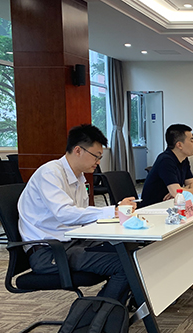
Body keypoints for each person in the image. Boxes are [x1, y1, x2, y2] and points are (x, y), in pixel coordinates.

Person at [18, 124, 136, 302]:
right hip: (49, 252)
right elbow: (65, 214)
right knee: (125, 265)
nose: (98, 162)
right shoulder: (50, 173)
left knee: (132, 252)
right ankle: (99, 314)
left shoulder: (79, 178)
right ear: (78, 150)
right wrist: (112, 211)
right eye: (96, 156)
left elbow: (81, 217)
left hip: (72, 242)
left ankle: (114, 309)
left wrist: (118, 218)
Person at [140, 124, 193, 208]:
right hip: (153, 207)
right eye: (191, 141)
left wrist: (181, 192)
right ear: (179, 145)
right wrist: (183, 191)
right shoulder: (165, 160)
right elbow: (178, 192)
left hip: (170, 205)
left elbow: (191, 184)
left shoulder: (184, 159)